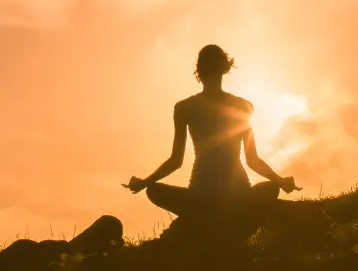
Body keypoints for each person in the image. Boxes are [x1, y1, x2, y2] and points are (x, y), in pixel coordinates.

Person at [124, 45, 298, 223]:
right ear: (224, 68)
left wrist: (145, 182)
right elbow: (252, 160)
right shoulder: (243, 106)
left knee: (153, 191)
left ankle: (204, 216)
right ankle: (235, 213)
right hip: (238, 196)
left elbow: (176, 161)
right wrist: (280, 181)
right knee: (270, 189)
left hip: (202, 197)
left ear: (198, 71)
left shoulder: (184, 108)